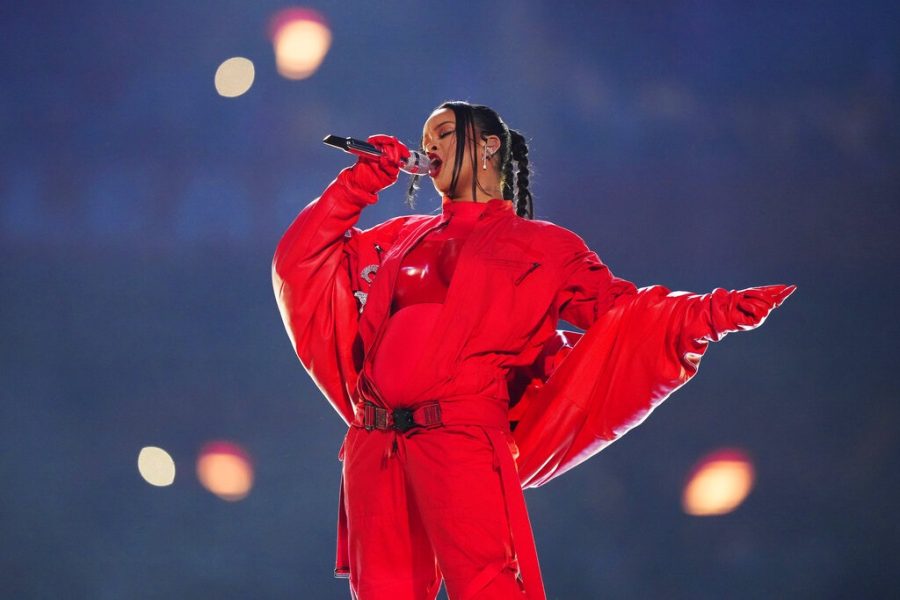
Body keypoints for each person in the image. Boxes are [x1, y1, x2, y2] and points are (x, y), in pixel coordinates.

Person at [271, 101, 795, 600]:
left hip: (460, 437)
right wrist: (359, 183)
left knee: (489, 585)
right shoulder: (399, 237)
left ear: (489, 147)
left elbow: (622, 311)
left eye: (444, 133)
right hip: (374, 440)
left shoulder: (544, 247)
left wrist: (710, 314)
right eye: (425, 137)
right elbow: (302, 262)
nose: (428, 145)